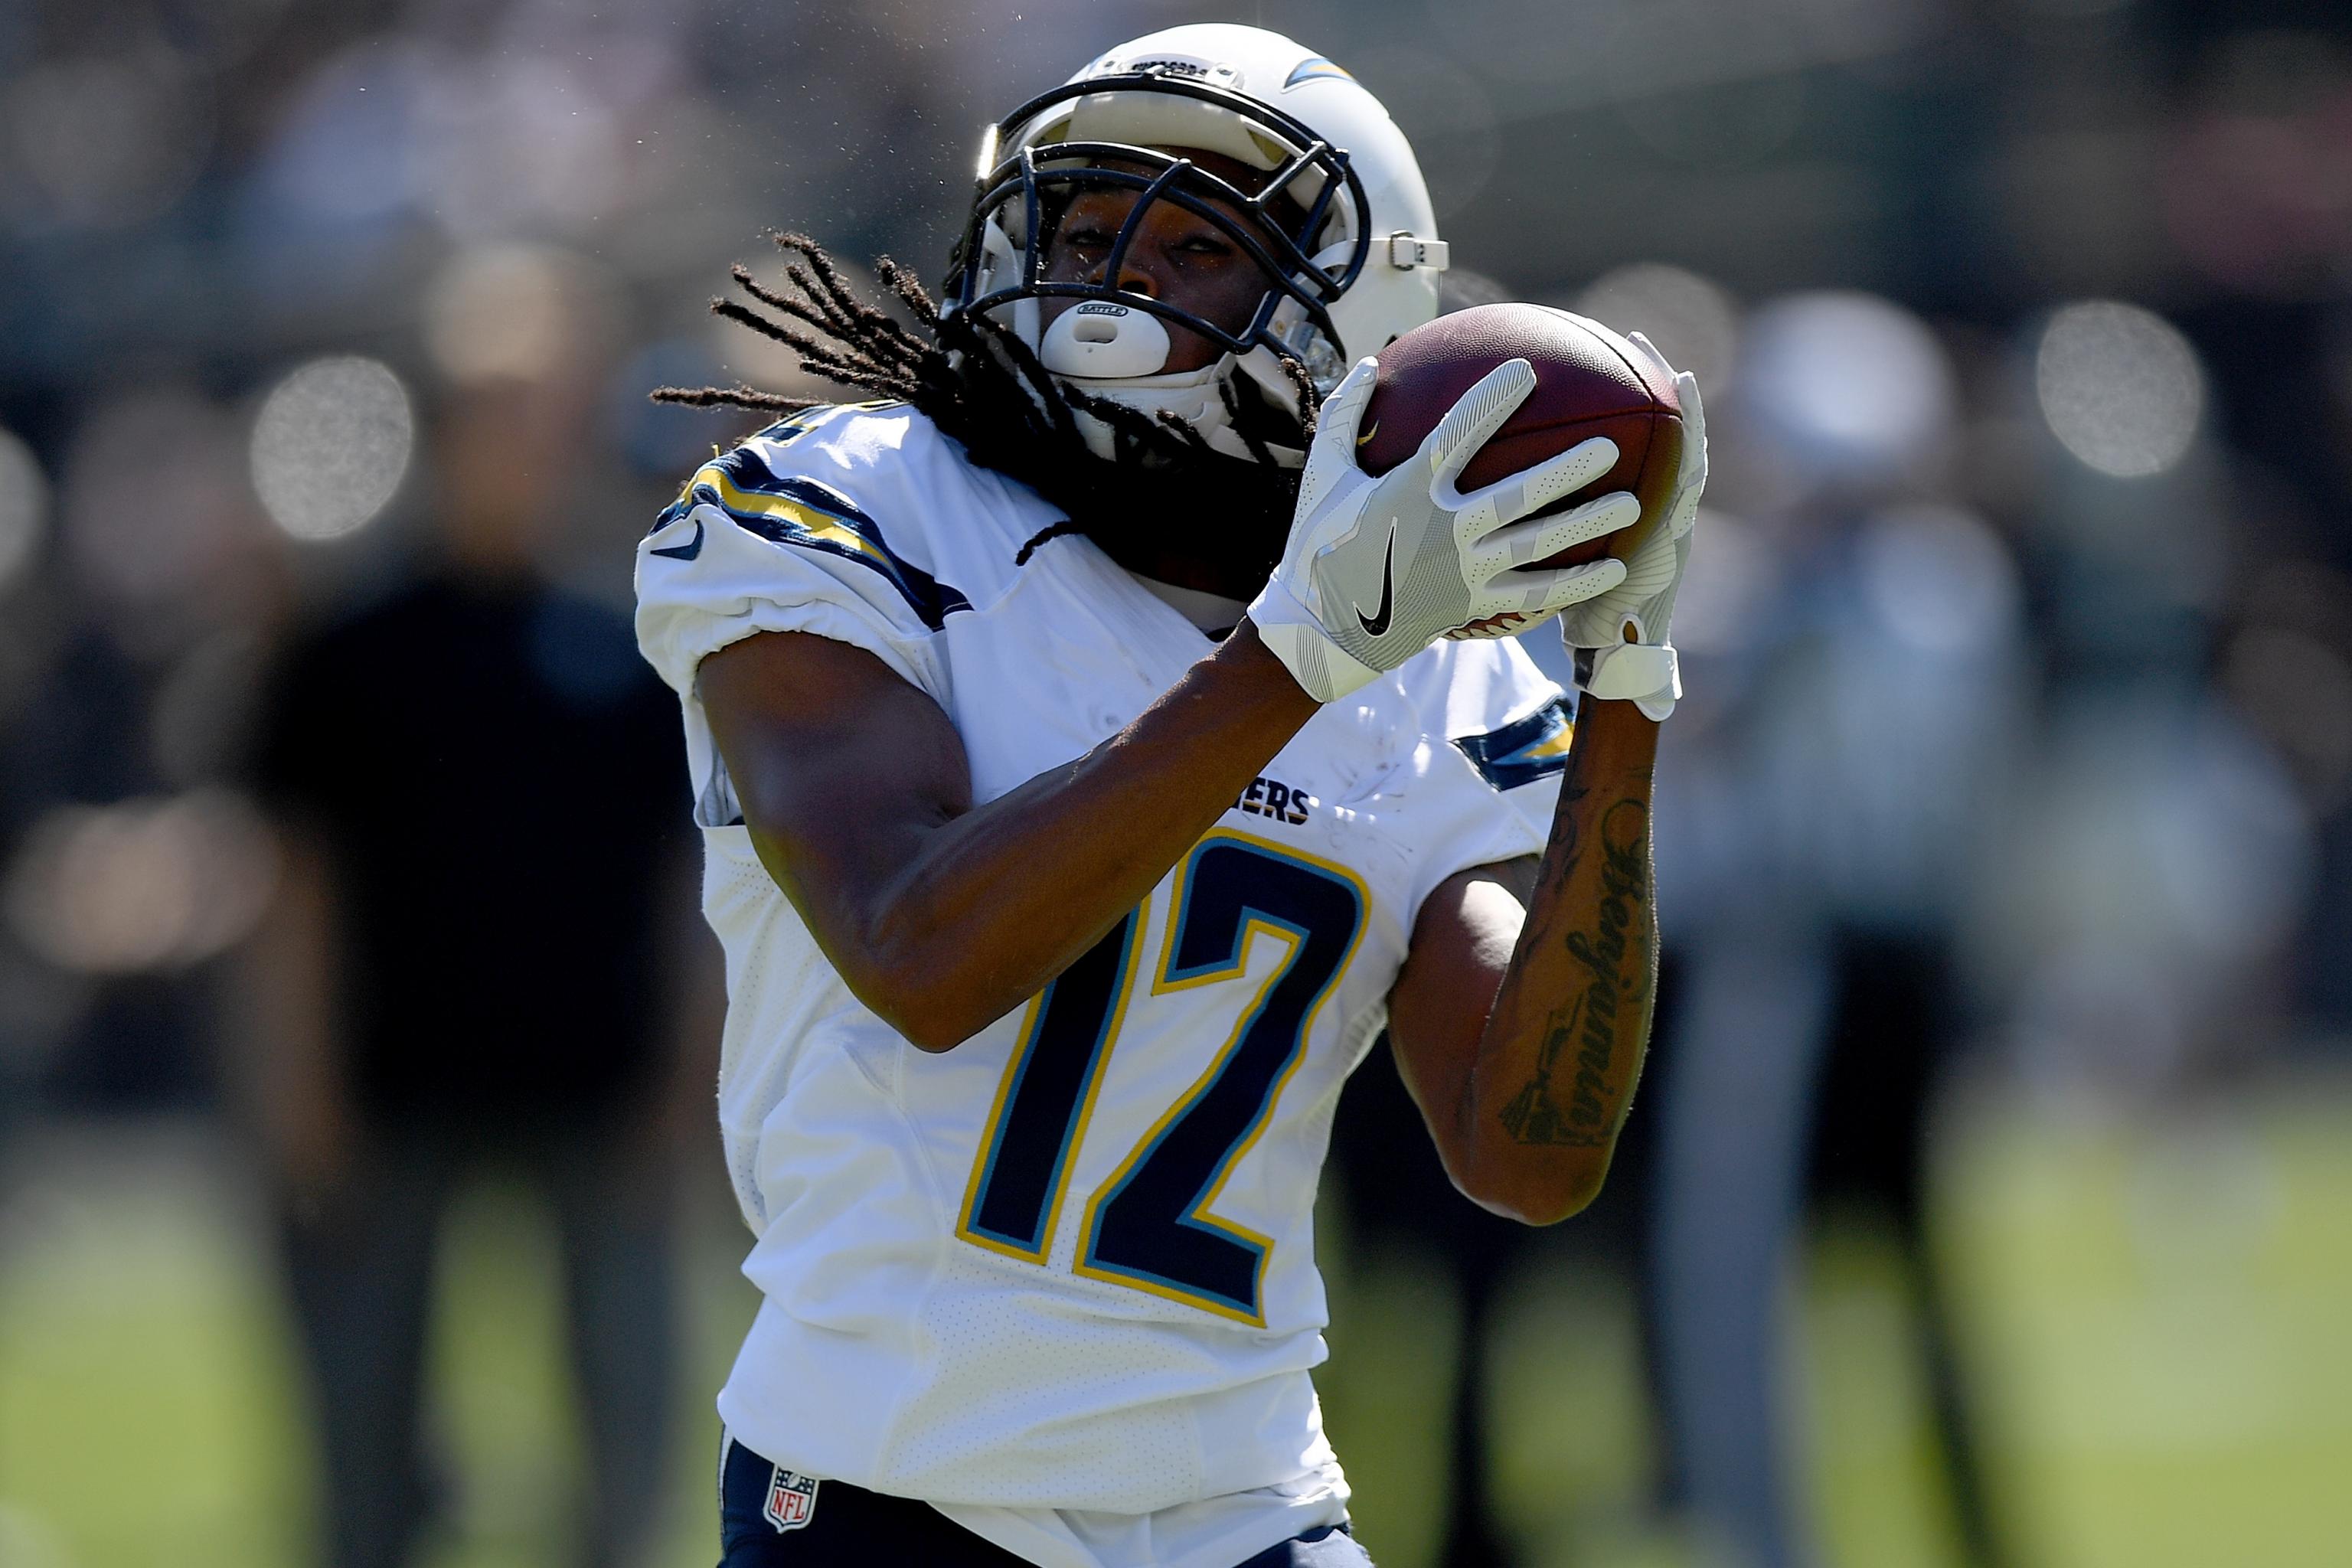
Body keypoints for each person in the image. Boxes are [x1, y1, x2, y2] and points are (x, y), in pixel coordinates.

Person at [633, 25, 1706, 1568]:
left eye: (1198, 244)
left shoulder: (1443, 667)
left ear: (1359, 312)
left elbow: (1529, 1152)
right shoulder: (850, 508)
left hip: (1248, 1506)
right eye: (1083, 229)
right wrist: (1301, 655)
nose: (1112, 280)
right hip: (890, 1492)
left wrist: (1621, 695)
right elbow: (922, 953)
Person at [247, 367, 701, 1568]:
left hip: (596, 1077)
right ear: (438, 447)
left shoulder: (631, 645)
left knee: (626, 1397)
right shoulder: (350, 651)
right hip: (395, 1080)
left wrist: (688, 1070)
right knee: (366, 1407)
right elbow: (300, 888)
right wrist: (298, 1082)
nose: (522, 463)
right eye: (496, 433)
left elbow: (679, 885)